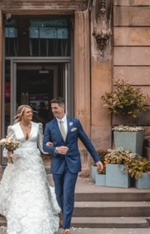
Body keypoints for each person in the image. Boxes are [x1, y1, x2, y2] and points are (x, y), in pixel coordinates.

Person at [0, 105, 61, 234]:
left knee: (37, 187)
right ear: (21, 114)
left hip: (34, 162)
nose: (31, 114)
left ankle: (40, 213)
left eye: (31, 112)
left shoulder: (38, 126)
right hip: (19, 162)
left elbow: (41, 145)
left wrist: (51, 147)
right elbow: (7, 147)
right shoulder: (13, 128)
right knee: (20, 187)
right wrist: (9, 153)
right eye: (28, 112)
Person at [42, 97, 104, 234]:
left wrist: (97, 159)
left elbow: (86, 141)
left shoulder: (75, 123)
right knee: (59, 194)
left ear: (63, 108)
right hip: (57, 164)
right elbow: (45, 145)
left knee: (68, 193)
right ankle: (63, 214)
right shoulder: (50, 125)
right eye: (52, 109)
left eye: (55, 108)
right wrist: (55, 150)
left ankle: (67, 226)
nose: (53, 111)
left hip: (72, 164)